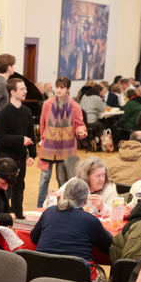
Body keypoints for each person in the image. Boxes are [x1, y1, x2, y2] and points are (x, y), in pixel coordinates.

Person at [30, 178, 113, 282]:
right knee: (101, 273)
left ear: (64, 195)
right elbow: (107, 245)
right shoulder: (91, 220)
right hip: (78, 278)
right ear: (85, 200)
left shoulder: (49, 212)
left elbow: (33, 238)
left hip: (44, 273)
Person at [36, 76, 86, 208]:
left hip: (65, 146)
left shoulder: (74, 106)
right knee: (44, 179)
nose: (58, 90)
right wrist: (43, 138)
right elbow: (42, 123)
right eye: (57, 87)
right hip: (49, 146)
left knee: (62, 179)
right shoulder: (48, 103)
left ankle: (64, 206)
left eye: (62, 87)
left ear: (68, 89)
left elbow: (79, 124)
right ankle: (40, 206)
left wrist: (80, 131)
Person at [0, 77, 36, 219]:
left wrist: (32, 155)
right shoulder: (4, 113)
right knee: (6, 189)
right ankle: (4, 217)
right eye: (22, 89)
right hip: (6, 158)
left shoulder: (26, 112)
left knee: (19, 188)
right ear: (13, 92)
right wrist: (20, 139)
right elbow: (0, 138)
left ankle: (19, 216)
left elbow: (31, 134)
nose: (25, 91)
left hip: (20, 157)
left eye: (25, 88)